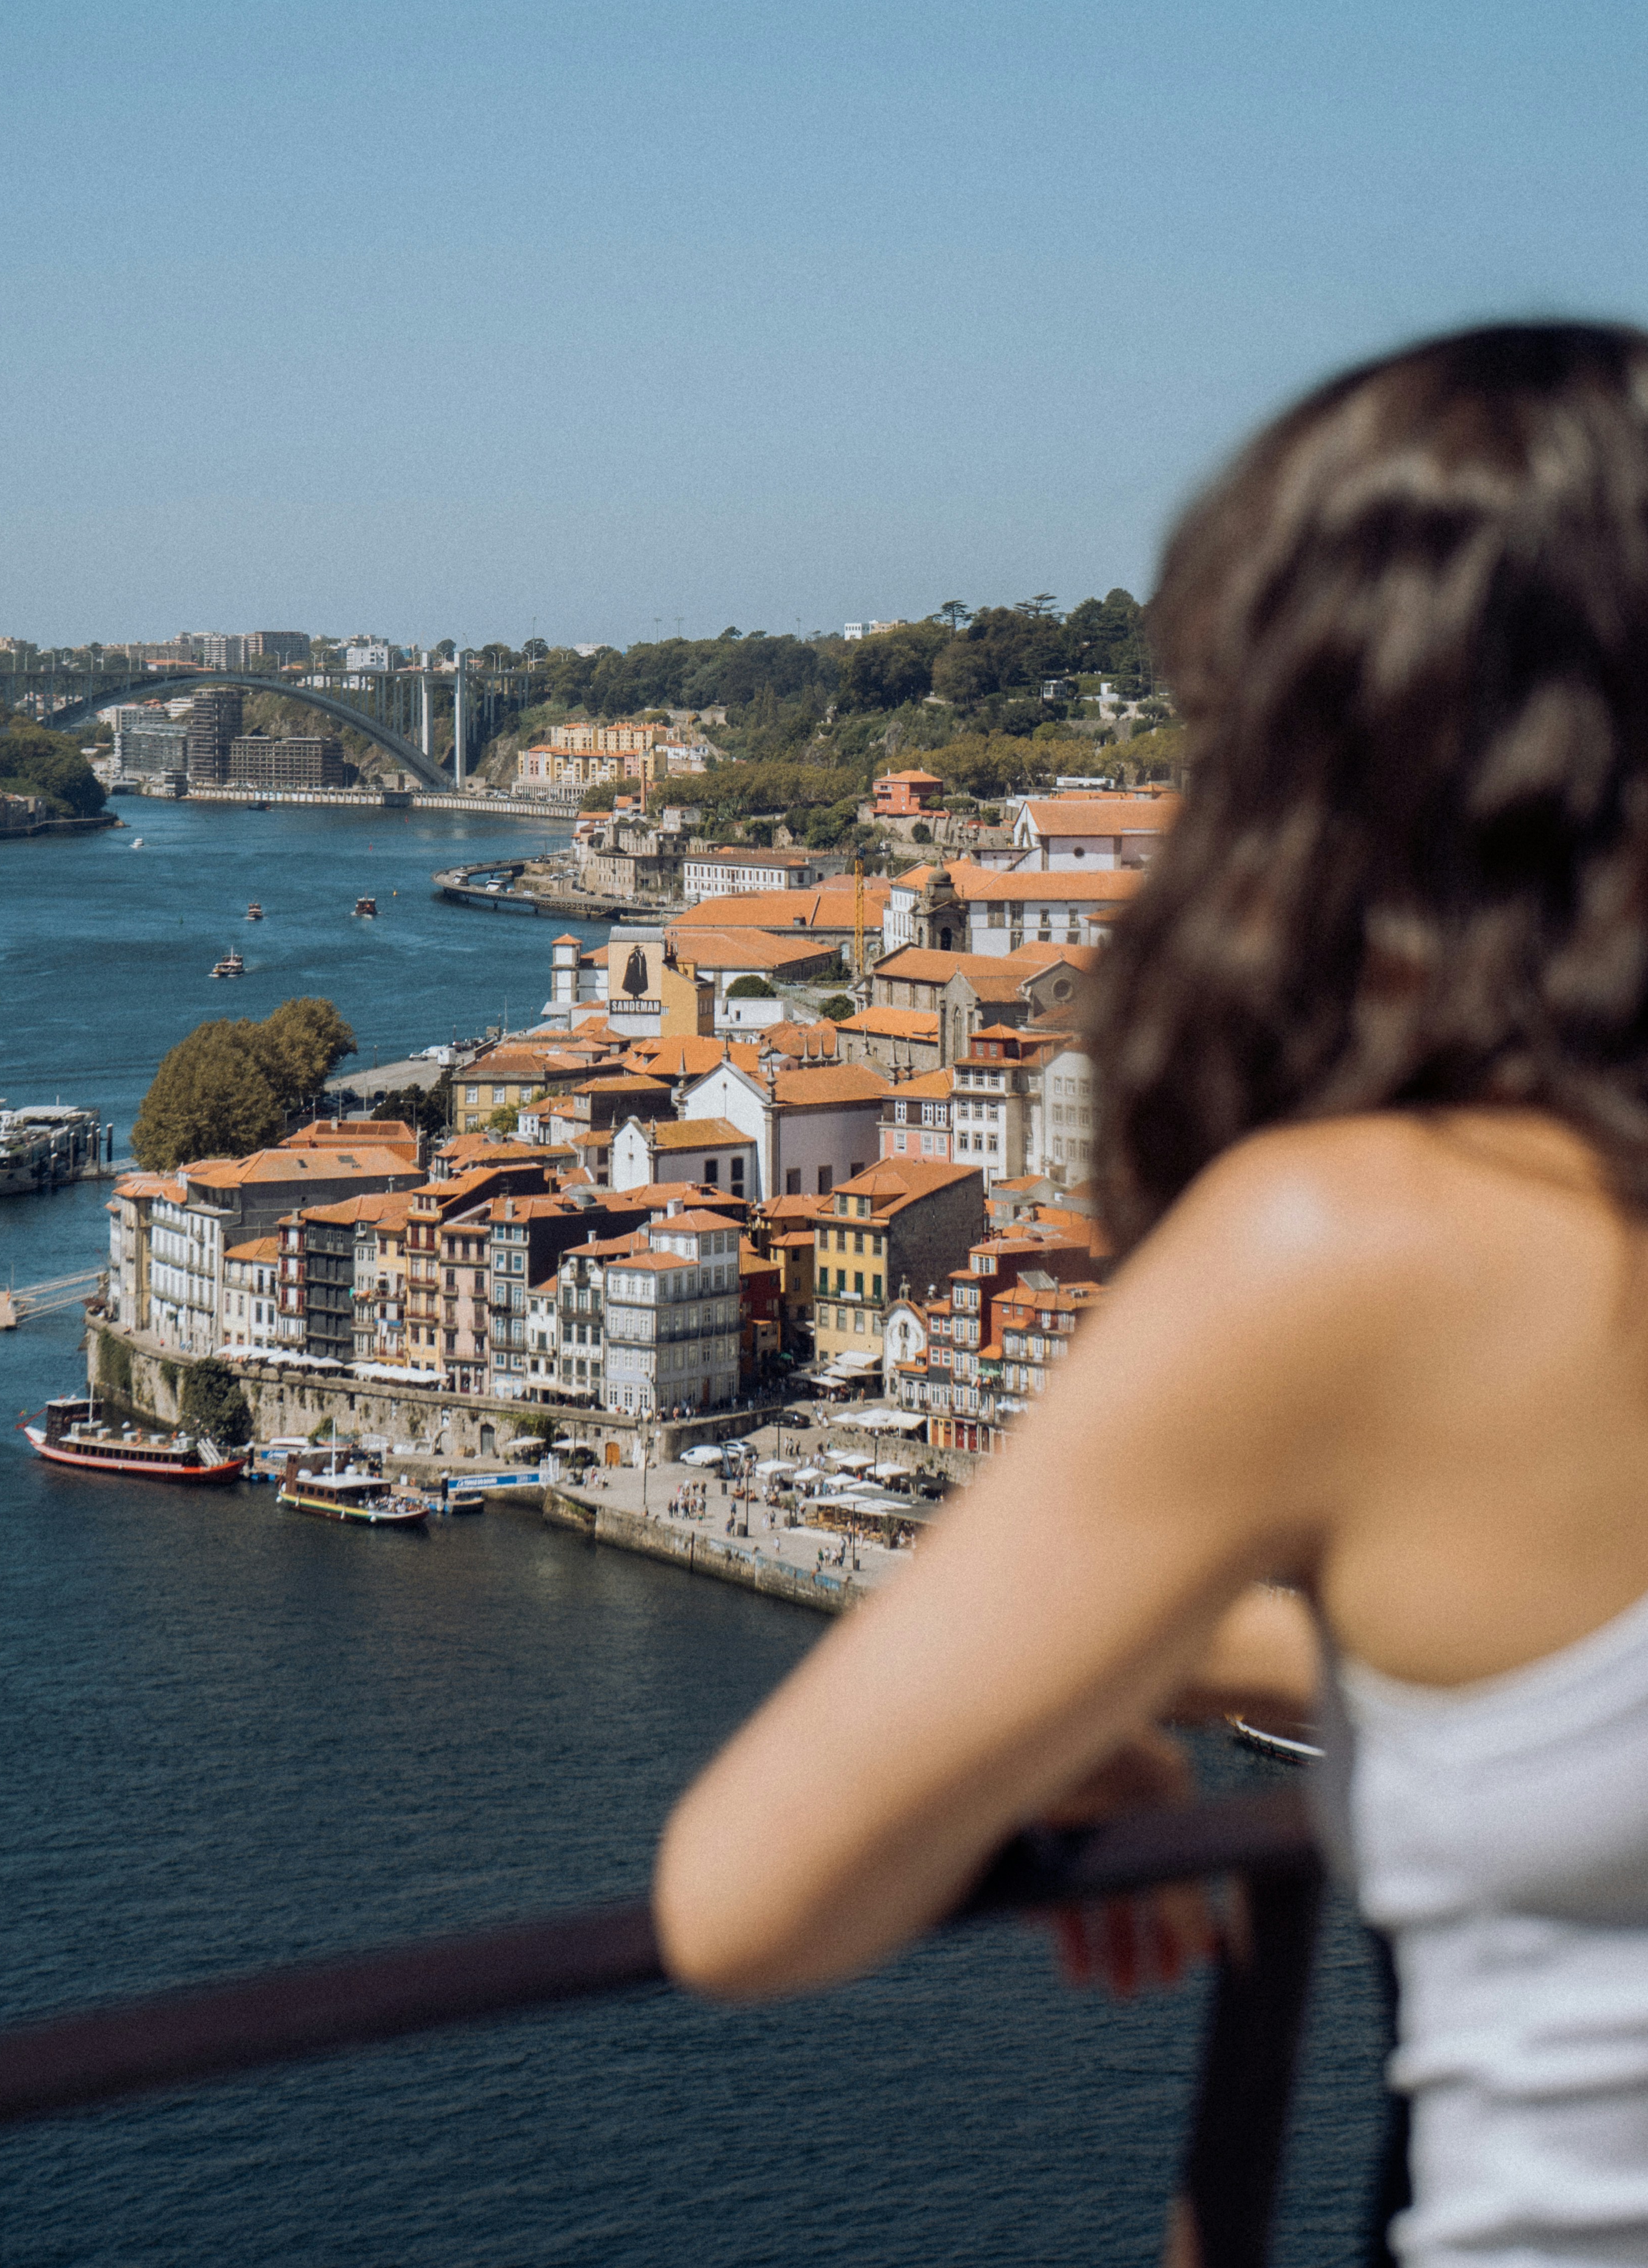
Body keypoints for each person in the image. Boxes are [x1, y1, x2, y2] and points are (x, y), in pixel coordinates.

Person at [654, 324, 1648, 2268]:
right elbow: (1541, 1673)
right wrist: (1156, 1656)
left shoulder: (1362, 1246)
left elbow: (740, 1900)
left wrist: (1055, 1690)